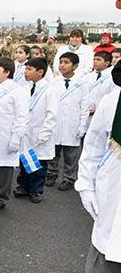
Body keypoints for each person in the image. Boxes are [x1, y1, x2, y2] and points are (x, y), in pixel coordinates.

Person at [72, 60, 121, 273]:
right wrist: (86, 185)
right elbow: (92, 147)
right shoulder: (113, 101)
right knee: (106, 249)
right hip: (115, 188)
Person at [13, 58, 59, 203]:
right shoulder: (25, 88)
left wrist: (44, 134)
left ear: (40, 72)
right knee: (25, 160)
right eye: (25, 69)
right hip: (26, 132)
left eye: (29, 69)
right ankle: (24, 186)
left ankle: (36, 189)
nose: (25, 72)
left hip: (40, 132)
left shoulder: (50, 90)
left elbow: (52, 114)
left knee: (39, 164)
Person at [0, 57, 29, 211]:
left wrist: (16, 138)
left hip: (6, 136)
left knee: (2, 170)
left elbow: (22, 117)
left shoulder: (17, 91)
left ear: (7, 72)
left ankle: (0, 199)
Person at [46, 52, 89, 191]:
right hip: (56, 124)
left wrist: (82, 126)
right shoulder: (54, 82)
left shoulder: (82, 83)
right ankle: (51, 174)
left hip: (73, 124)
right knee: (54, 152)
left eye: (66, 62)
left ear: (75, 66)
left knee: (71, 155)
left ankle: (69, 178)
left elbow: (84, 106)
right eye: (61, 62)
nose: (62, 65)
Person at [85, 51, 116, 120]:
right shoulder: (87, 76)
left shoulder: (113, 77)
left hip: (104, 113)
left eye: (98, 60)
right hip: (87, 113)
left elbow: (113, 98)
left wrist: (98, 109)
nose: (95, 61)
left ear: (107, 63)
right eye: (94, 59)